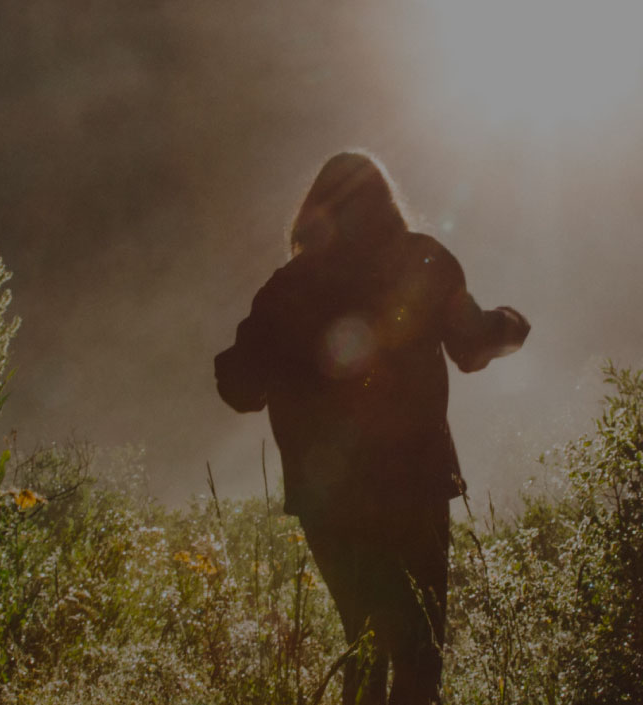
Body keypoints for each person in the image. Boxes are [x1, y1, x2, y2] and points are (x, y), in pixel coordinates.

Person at [214, 151, 529, 705]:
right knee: (418, 649)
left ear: (314, 210)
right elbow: (474, 346)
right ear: (387, 204)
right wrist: (513, 325)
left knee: (364, 641)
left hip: (328, 498)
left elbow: (240, 387)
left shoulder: (288, 285)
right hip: (414, 484)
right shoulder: (423, 261)